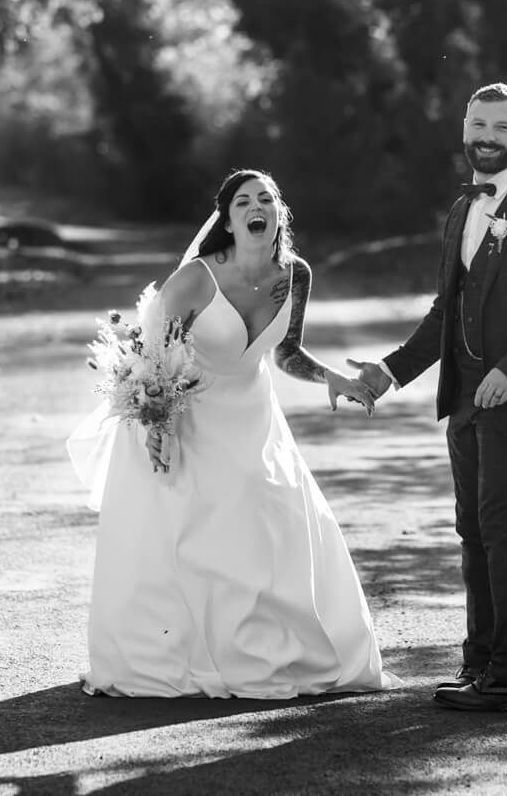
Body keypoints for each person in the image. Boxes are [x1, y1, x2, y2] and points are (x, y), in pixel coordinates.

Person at [66, 169, 397, 698]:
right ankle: (191, 652)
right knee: (195, 535)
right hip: (186, 416)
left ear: (279, 213)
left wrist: (330, 376)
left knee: (273, 522)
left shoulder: (297, 275)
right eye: (243, 201)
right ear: (228, 218)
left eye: (265, 198)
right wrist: (156, 423)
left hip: (254, 417)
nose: (255, 206)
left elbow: (286, 352)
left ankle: (271, 646)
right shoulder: (197, 278)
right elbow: (149, 358)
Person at [349, 82, 507, 713]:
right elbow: (443, 315)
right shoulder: (460, 211)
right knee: (473, 528)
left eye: (501, 127)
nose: (487, 136)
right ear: (464, 130)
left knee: (505, 528)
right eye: (478, 124)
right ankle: (480, 663)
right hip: (464, 399)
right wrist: (388, 373)